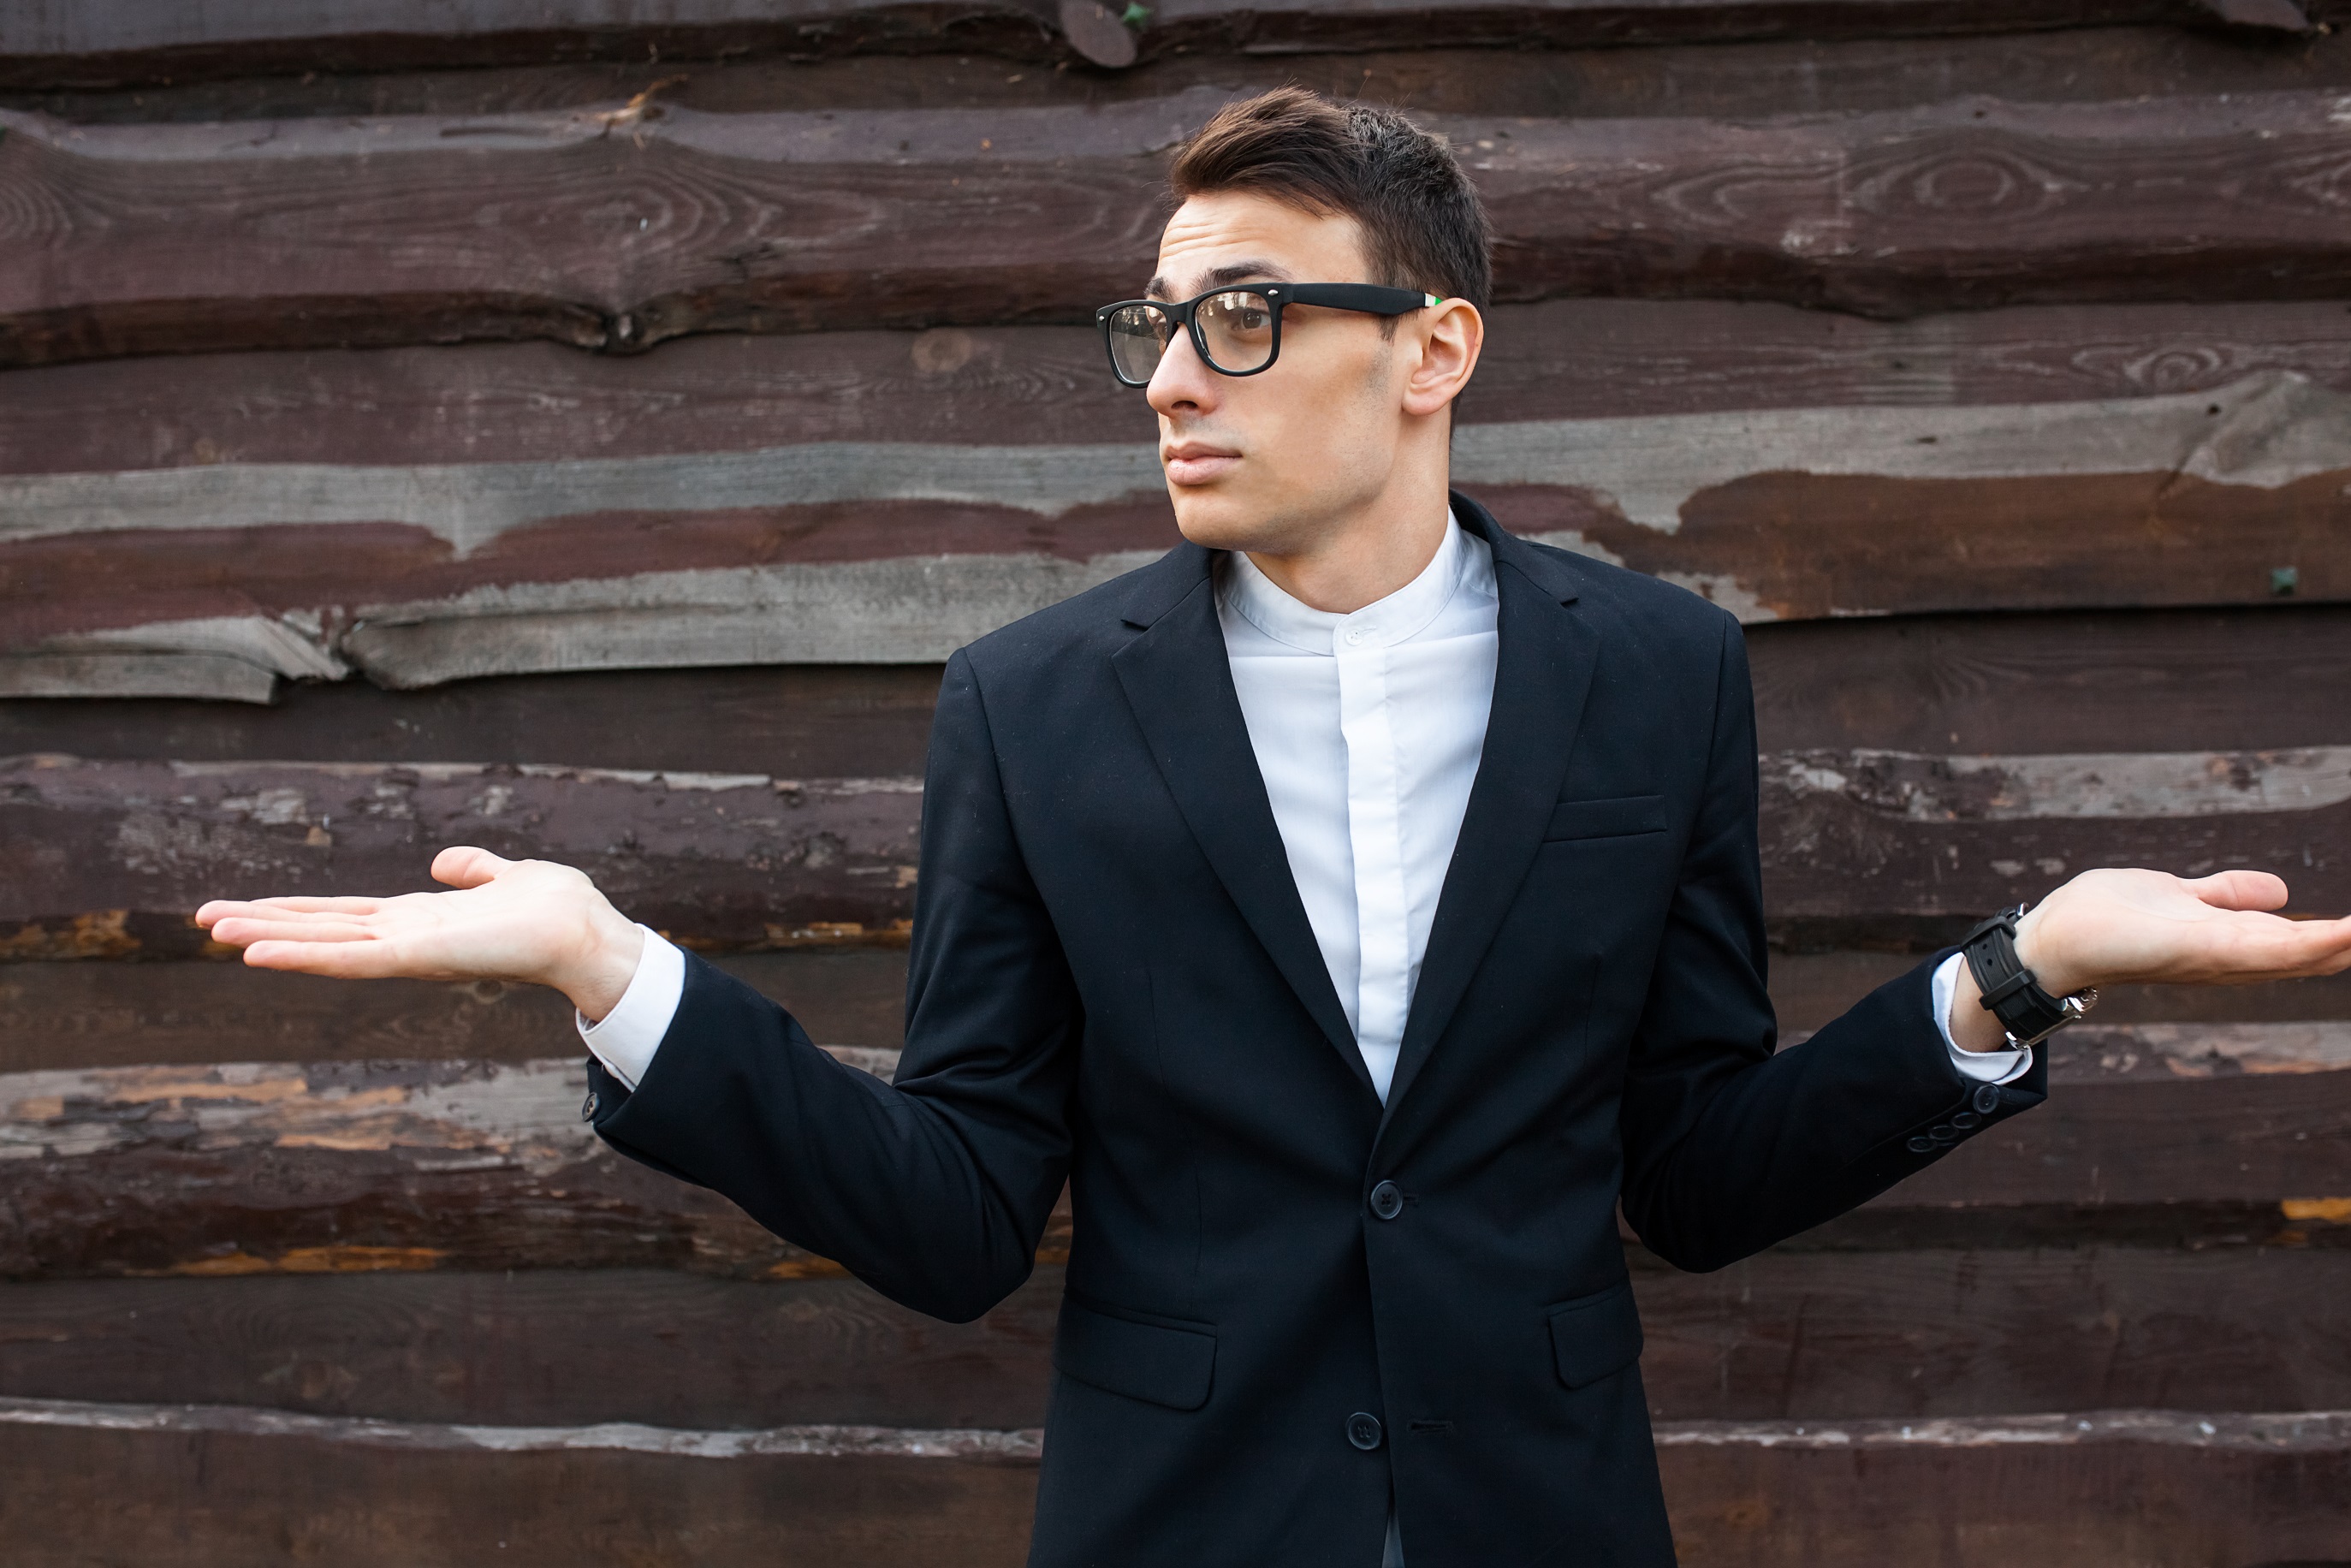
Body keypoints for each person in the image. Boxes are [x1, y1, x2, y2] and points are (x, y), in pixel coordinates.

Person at [197, 88, 2351, 1567]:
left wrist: (2016, 967)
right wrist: (612, 970)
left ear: (1436, 351)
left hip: (1548, 1522)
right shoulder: (1034, 708)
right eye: (1158, 326)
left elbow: (1691, 1174)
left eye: (1243, 319)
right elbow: (957, 1214)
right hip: (1183, 1522)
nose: (1171, 380)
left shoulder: (1655, 675)